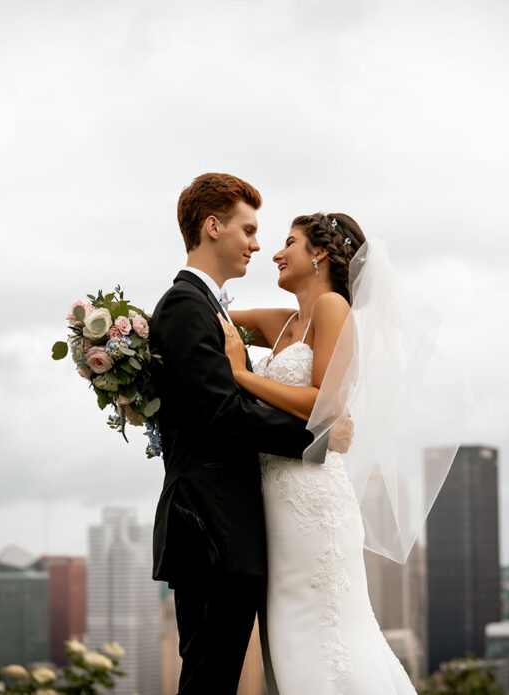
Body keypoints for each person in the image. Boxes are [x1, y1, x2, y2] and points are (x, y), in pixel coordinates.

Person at [149, 174, 353, 695]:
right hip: (214, 525)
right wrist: (317, 441)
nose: (260, 246)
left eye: (278, 239)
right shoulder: (189, 304)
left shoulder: (208, 306)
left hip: (255, 520)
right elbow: (223, 410)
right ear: (213, 227)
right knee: (211, 677)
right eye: (249, 230)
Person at [221, 212, 418, 694]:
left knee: (327, 635)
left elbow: (324, 404)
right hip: (276, 505)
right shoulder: (285, 319)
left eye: (288, 242)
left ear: (320, 254)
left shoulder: (333, 307)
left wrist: (244, 376)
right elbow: (212, 317)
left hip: (313, 503)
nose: (274, 252)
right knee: (291, 639)